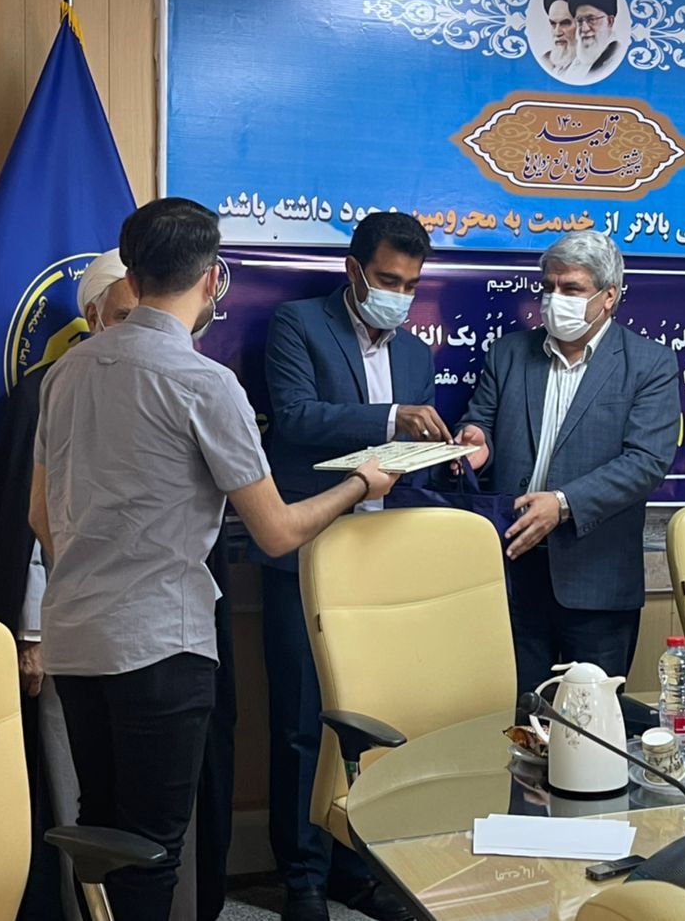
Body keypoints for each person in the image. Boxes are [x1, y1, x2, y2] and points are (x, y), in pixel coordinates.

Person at [30, 198, 399, 921]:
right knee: (153, 850)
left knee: (102, 832)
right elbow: (277, 531)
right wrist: (361, 483)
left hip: (75, 637)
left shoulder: (65, 373)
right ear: (212, 279)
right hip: (160, 647)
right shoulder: (204, 382)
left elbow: (41, 516)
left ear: (131, 277)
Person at [255, 211, 444, 921]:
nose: (401, 295)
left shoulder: (418, 355)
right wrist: (394, 418)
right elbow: (297, 417)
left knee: (371, 723)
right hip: (307, 554)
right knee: (301, 723)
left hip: (382, 566)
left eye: (412, 285)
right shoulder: (298, 325)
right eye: (389, 280)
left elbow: (411, 457)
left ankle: (354, 866)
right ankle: (302, 876)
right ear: (355, 270)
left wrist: (455, 445)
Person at [0, 247, 136, 921]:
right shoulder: (50, 389)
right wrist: (31, 634)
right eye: (125, 315)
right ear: (93, 315)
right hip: (66, 631)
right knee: (70, 785)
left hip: (142, 628)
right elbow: (31, 524)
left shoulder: (164, 382)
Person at [455, 230, 680, 698]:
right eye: (549, 287)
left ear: (609, 296)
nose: (555, 299)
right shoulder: (509, 353)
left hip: (596, 579)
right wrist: (476, 442)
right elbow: (480, 423)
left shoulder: (649, 364)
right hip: (513, 571)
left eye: (571, 288)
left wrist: (562, 504)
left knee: (592, 723)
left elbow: (646, 462)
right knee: (519, 717)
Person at [567, 0, 624, 81]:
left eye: (591, 19)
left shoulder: (616, 58)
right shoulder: (575, 64)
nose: (584, 28)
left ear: (610, 21)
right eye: (580, 21)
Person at [538, 0, 576, 76]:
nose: (557, 32)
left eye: (565, 23)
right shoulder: (545, 61)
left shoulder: (597, 65)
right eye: (553, 24)